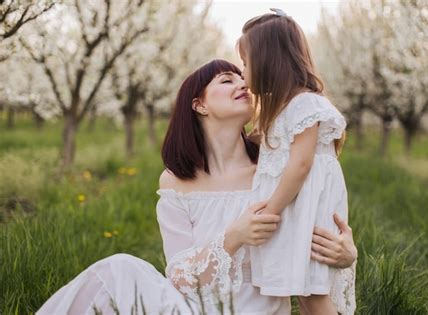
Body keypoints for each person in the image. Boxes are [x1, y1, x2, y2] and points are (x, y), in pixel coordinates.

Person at [37, 59, 356, 315]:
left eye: (242, 76)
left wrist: (346, 255)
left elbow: (315, 238)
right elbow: (179, 275)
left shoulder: (275, 171)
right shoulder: (175, 181)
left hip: (258, 308)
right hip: (192, 307)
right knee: (119, 269)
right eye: (226, 80)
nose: (242, 83)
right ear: (199, 105)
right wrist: (233, 238)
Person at [237, 10, 355, 315]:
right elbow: (275, 151)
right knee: (303, 294)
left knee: (313, 294)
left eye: (246, 63)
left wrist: (271, 211)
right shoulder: (283, 109)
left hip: (306, 214)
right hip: (296, 212)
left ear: (268, 62)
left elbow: (301, 164)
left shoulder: (305, 105)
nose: (243, 71)